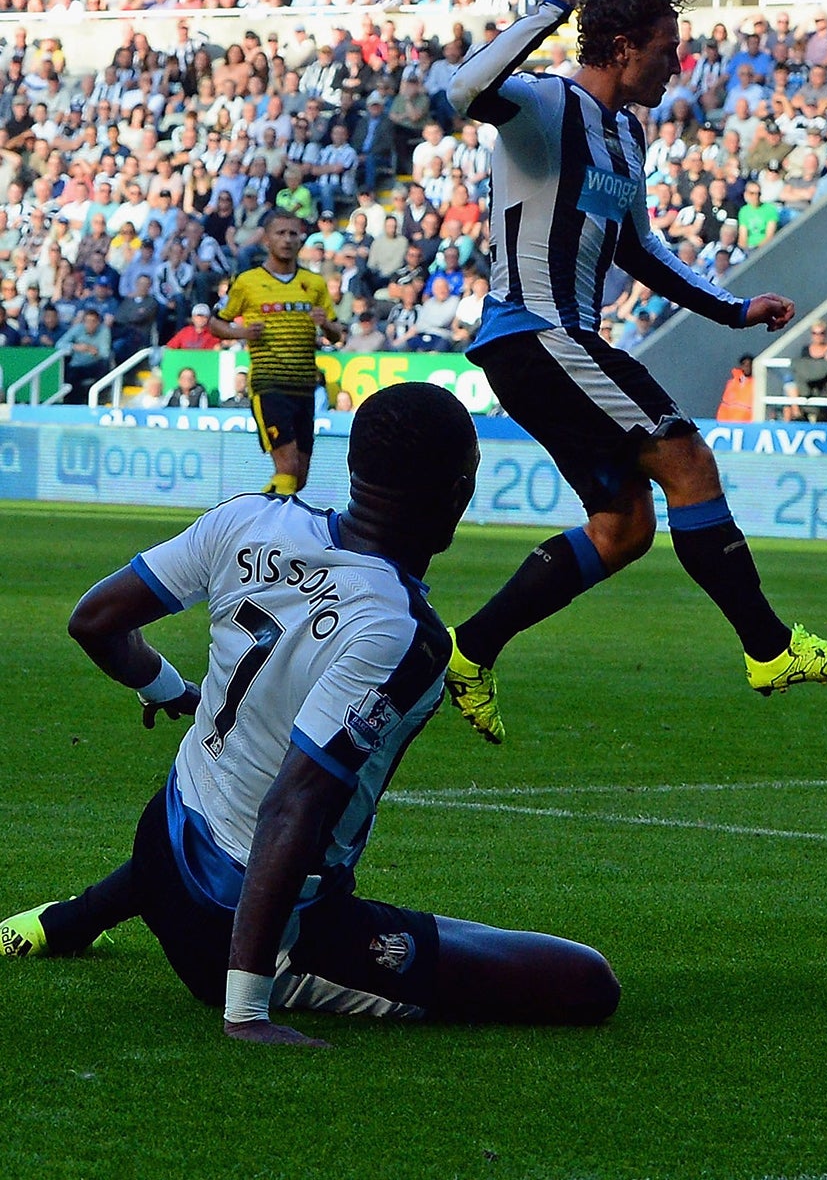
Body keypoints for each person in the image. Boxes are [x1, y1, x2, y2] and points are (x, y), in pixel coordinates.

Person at [0, 384, 619, 1042]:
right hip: (236, 928)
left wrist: (166, 688)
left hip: (162, 842)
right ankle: (233, 971)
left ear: (352, 469)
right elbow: (293, 804)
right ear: (460, 493)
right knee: (585, 980)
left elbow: (94, 621)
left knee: (226, 805)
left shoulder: (248, 519)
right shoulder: (403, 631)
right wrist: (246, 1007)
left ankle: (72, 918)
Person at [444, 0, 827, 741]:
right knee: (687, 460)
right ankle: (770, 648)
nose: (678, 63)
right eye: (667, 47)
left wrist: (733, 307)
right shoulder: (546, 105)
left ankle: (469, 650)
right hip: (535, 335)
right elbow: (461, 89)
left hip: (558, 344)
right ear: (619, 46)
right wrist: (548, 8)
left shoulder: (625, 132)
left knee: (624, 529)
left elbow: (639, 248)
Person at [206, 210, 344, 496]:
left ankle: (262, 515)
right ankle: (257, 524)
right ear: (267, 239)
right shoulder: (248, 282)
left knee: (299, 477)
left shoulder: (314, 284)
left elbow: (336, 333)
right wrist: (241, 332)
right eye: (281, 233)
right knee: (288, 468)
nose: (287, 239)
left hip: (305, 386)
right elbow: (216, 322)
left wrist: (326, 324)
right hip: (270, 383)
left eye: (293, 233)